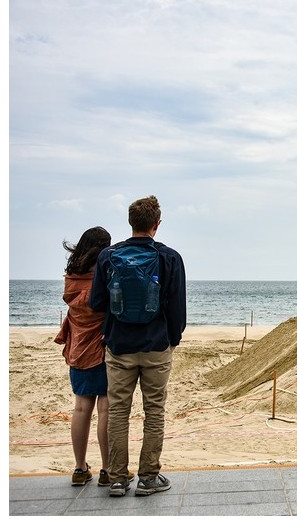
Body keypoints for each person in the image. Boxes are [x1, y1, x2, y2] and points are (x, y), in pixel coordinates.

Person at [90, 195, 186, 497]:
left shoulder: (108, 256)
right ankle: (148, 478)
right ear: (156, 225)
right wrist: (173, 339)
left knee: (118, 411)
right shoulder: (169, 257)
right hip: (157, 345)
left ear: (131, 223)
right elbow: (177, 309)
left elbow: (96, 302)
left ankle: (117, 478)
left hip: (119, 346)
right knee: (154, 411)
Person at [55, 226, 116, 486]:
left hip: (77, 348)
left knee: (81, 408)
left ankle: (80, 469)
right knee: (105, 409)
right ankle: (108, 470)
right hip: (101, 350)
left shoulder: (71, 277)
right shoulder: (102, 277)